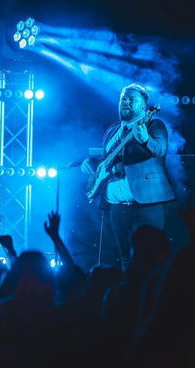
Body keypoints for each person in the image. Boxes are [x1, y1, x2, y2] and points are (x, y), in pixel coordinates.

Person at [81, 83, 175, 268]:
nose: (125, 102)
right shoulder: (112, 131)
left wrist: (145, 139)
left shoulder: (154, 124)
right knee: (125, 258)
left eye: (131, 99)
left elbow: (159, 148)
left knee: (150, 258)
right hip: (116, 207)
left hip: (146, 205)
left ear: (143, 106)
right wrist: (90, 162)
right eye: (123, 99)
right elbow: (107, 160)